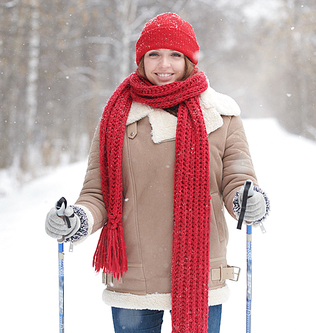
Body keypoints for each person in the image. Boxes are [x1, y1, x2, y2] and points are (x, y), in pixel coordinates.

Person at [45, 12, 270, 333]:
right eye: (154, 54)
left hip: (200, 270)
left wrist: (247, 202)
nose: (164, 65)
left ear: (189, 60)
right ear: (141, 59)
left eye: (175, 55)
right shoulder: (115, 119)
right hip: (135, 274)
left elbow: (238, 181)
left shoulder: (221, 116)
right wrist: (75, 221)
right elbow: (97, 194)